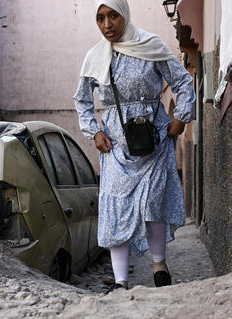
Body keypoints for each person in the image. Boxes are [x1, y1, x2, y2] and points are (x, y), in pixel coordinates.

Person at [73, 0, 196, 291]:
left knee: (152, 204)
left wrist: (181, 116)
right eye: (100, 18)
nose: (107, 25)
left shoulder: (150, 46)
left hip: (153, 140)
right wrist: (94, 132)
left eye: (113, 16)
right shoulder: (95, 57)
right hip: (116, 144)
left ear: (124, 15)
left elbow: (182, 82)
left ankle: (159, 267)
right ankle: (120, 281)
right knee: (117, 207)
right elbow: (82, 100)